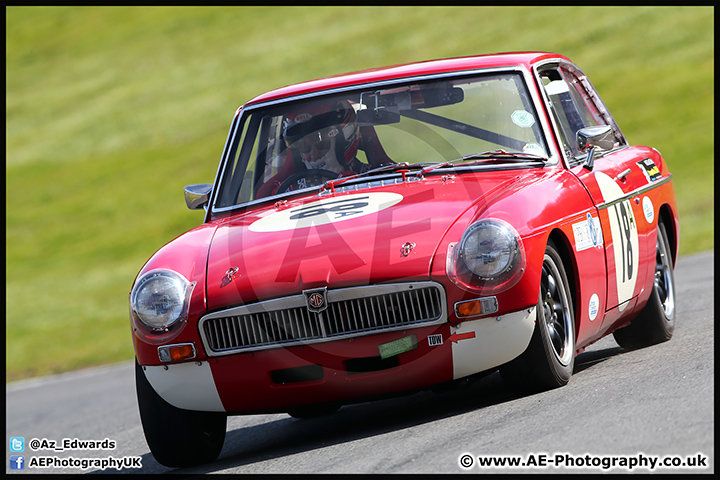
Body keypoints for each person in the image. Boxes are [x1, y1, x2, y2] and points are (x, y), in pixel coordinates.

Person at [256, 99, 393, 198]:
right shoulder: (285, 191)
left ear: (345, 139)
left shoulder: (378, 179)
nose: (313, 154)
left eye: (321, 142)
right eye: (303, 146)